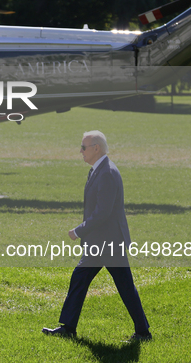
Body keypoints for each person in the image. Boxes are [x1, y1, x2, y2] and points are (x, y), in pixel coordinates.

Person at [42, 131, 151, 341]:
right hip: (100, 242)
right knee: (81, 279)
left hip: (109, 243)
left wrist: (78, 231)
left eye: (83, 147)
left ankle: (143, 332)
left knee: (124, 286)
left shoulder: (107, 173)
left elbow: (103, 212)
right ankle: (68, 328)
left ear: (96, 148)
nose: (80, 151)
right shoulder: (97, 170)